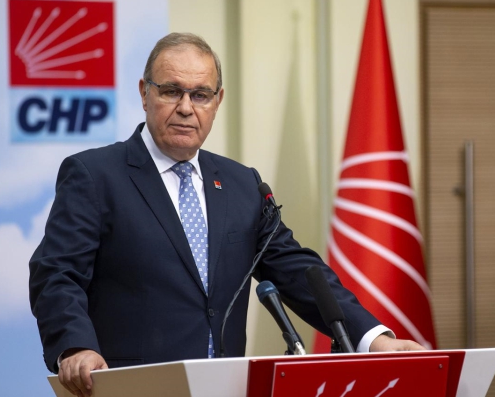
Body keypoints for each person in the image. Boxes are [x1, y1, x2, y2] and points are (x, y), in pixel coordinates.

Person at [29, 32, 425, 397]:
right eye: (171, 91)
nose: (186, 108)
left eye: (200, 95)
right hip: (133, 385)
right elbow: (57, 273)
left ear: (217, 101)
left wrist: (373, 339)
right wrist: (75, 346)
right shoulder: (95, 175)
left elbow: (296, 269)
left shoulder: (241, 184)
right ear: (144, 93)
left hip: (226, 386)